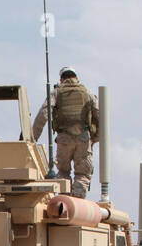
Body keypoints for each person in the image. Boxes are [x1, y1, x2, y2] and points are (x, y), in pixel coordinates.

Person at [31, 67, 99, 199]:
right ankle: (77, 203)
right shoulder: (87, 93)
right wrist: (95, 138)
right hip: (83, 139)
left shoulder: (56, 93)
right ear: (76, 78)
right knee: (82, 174)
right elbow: (99, 114)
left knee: (63, 173)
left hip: (64, 140)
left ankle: (65, 203)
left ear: (61, 79)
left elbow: (43, 114)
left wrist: (33, 137)